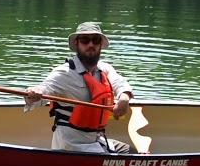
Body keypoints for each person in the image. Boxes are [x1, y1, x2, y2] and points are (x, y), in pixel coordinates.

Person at [24, 22, 134, 153]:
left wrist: (124, 98)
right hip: (72, 147)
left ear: (100, 45)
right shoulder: (64, 73)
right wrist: (33, 93)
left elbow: (119, 82)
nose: (90, 44)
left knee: (131, 153)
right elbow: (44, 89)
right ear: (77, 43)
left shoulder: (104, 69)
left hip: (98, 141)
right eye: (85, 40)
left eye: (95, 40)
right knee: (123, 162)